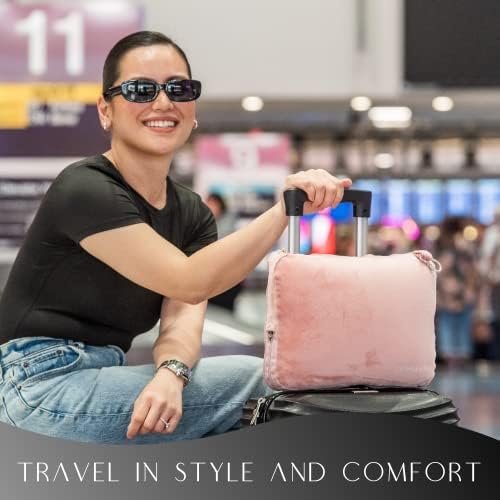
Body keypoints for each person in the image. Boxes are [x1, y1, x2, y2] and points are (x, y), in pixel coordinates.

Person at [0, 31, 352, 444]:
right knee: (260, 383)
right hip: (35, 387)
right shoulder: (84, 188)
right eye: (141, 89)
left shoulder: (192, 214)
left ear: (193, 109)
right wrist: (283, 211)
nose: (164, 102)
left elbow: (182, 319)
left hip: (101, 376)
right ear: (105, 110)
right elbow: (188, 280)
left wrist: (172, 374)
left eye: (179, 89)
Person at [434, 217, 479, 366]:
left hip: (453, 294)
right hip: (454, 294)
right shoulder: (455, 246)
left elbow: (438, 271)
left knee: (452, 326)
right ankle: (457, 357)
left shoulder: (444, 246)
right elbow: (472, 270)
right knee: (456, 327)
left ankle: (453, 357)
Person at [479, 205, 500, 359]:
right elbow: (488, 257)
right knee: (495, 318)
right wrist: (488, 277)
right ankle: (495, 354)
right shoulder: (492, 233)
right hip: (495, 282)